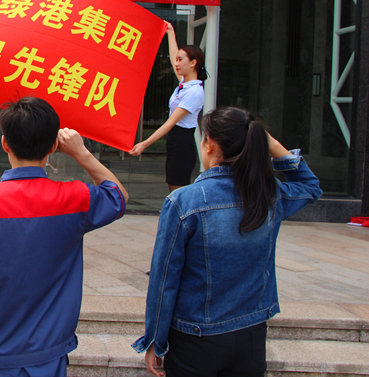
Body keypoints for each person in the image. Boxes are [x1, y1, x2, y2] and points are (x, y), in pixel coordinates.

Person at [0, 97, 129, 377]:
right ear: (53, 146)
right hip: (47, 357)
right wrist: (81, 153)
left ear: (5, 144)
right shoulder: (75, 198)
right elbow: (119, 196)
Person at [132, 107, 322, 377]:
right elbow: (310, 186)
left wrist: (155, 339)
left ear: (209, 144)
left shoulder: (185, 201)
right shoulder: (269, 195)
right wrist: (274, 146)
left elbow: (164, 281)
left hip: (195, 338)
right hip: (250, 334)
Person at [128, 22, 206, 191]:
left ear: (193, 63)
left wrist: (144, 144)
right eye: (177, 59)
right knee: (173, 187)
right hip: (175, 142)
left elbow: (170, 123)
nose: (176, 63)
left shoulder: (194, 92)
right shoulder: (185, 84)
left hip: (182, 143)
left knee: (177, 191)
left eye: (181, 60)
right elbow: (172, 59)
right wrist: (170, 32)